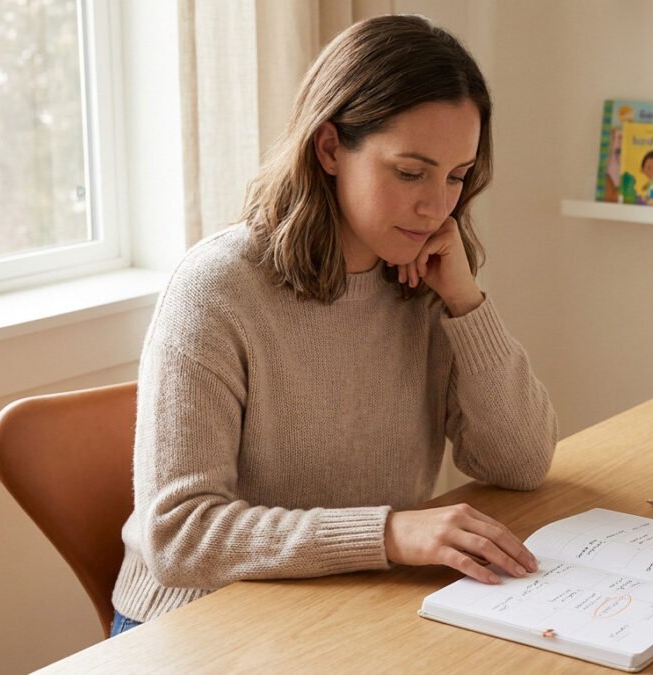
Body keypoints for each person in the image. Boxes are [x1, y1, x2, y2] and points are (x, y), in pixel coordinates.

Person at [109, 14, 557, 636]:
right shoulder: (217, 288)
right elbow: (180, 537)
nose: (436, 206)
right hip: (198, 623)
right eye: (409, 172)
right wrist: (388, 533)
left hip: (357, 601)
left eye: (456, 176)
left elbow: (522, 462)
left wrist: (465, 301)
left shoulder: (426, 276)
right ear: (329, 149)